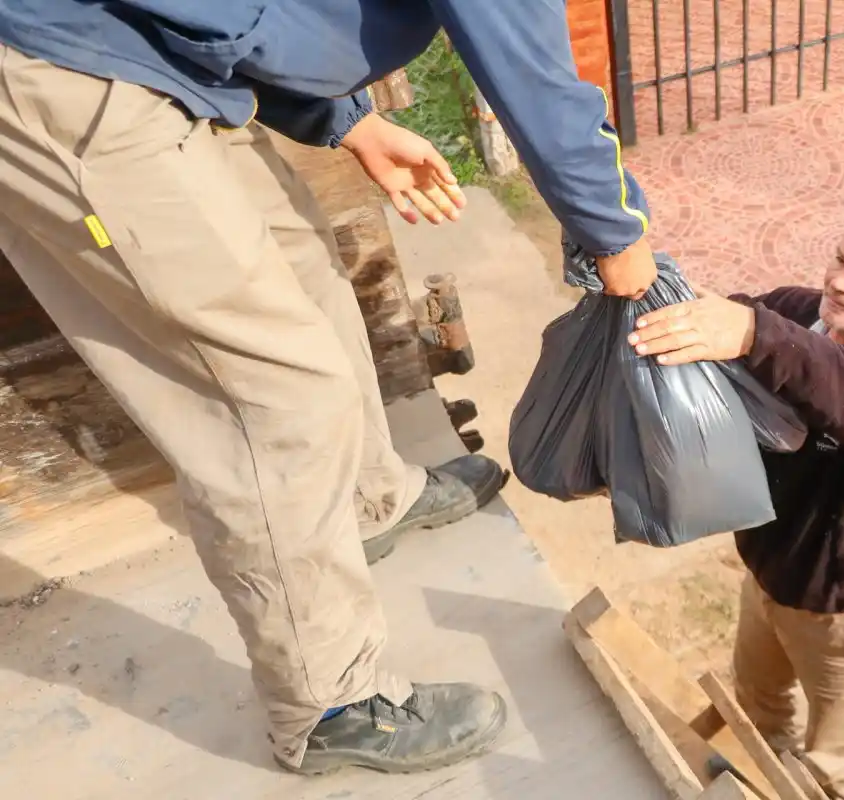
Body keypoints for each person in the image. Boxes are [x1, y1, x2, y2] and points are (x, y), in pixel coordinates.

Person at [0, 0, 656, 779]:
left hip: (156, 60)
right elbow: (528, 66)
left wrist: (349, 119)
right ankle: (328, 704)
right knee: (275, 397)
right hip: (68, 69)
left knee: (308, 260)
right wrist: (613, 232)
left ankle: (367, 499)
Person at [629, 198, 844, 800]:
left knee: (827, 767)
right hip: (767, 576)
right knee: (755, 707)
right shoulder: (794, 314)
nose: (838, 282)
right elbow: (722, 324)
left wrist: (756, 333)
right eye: (839, 260)